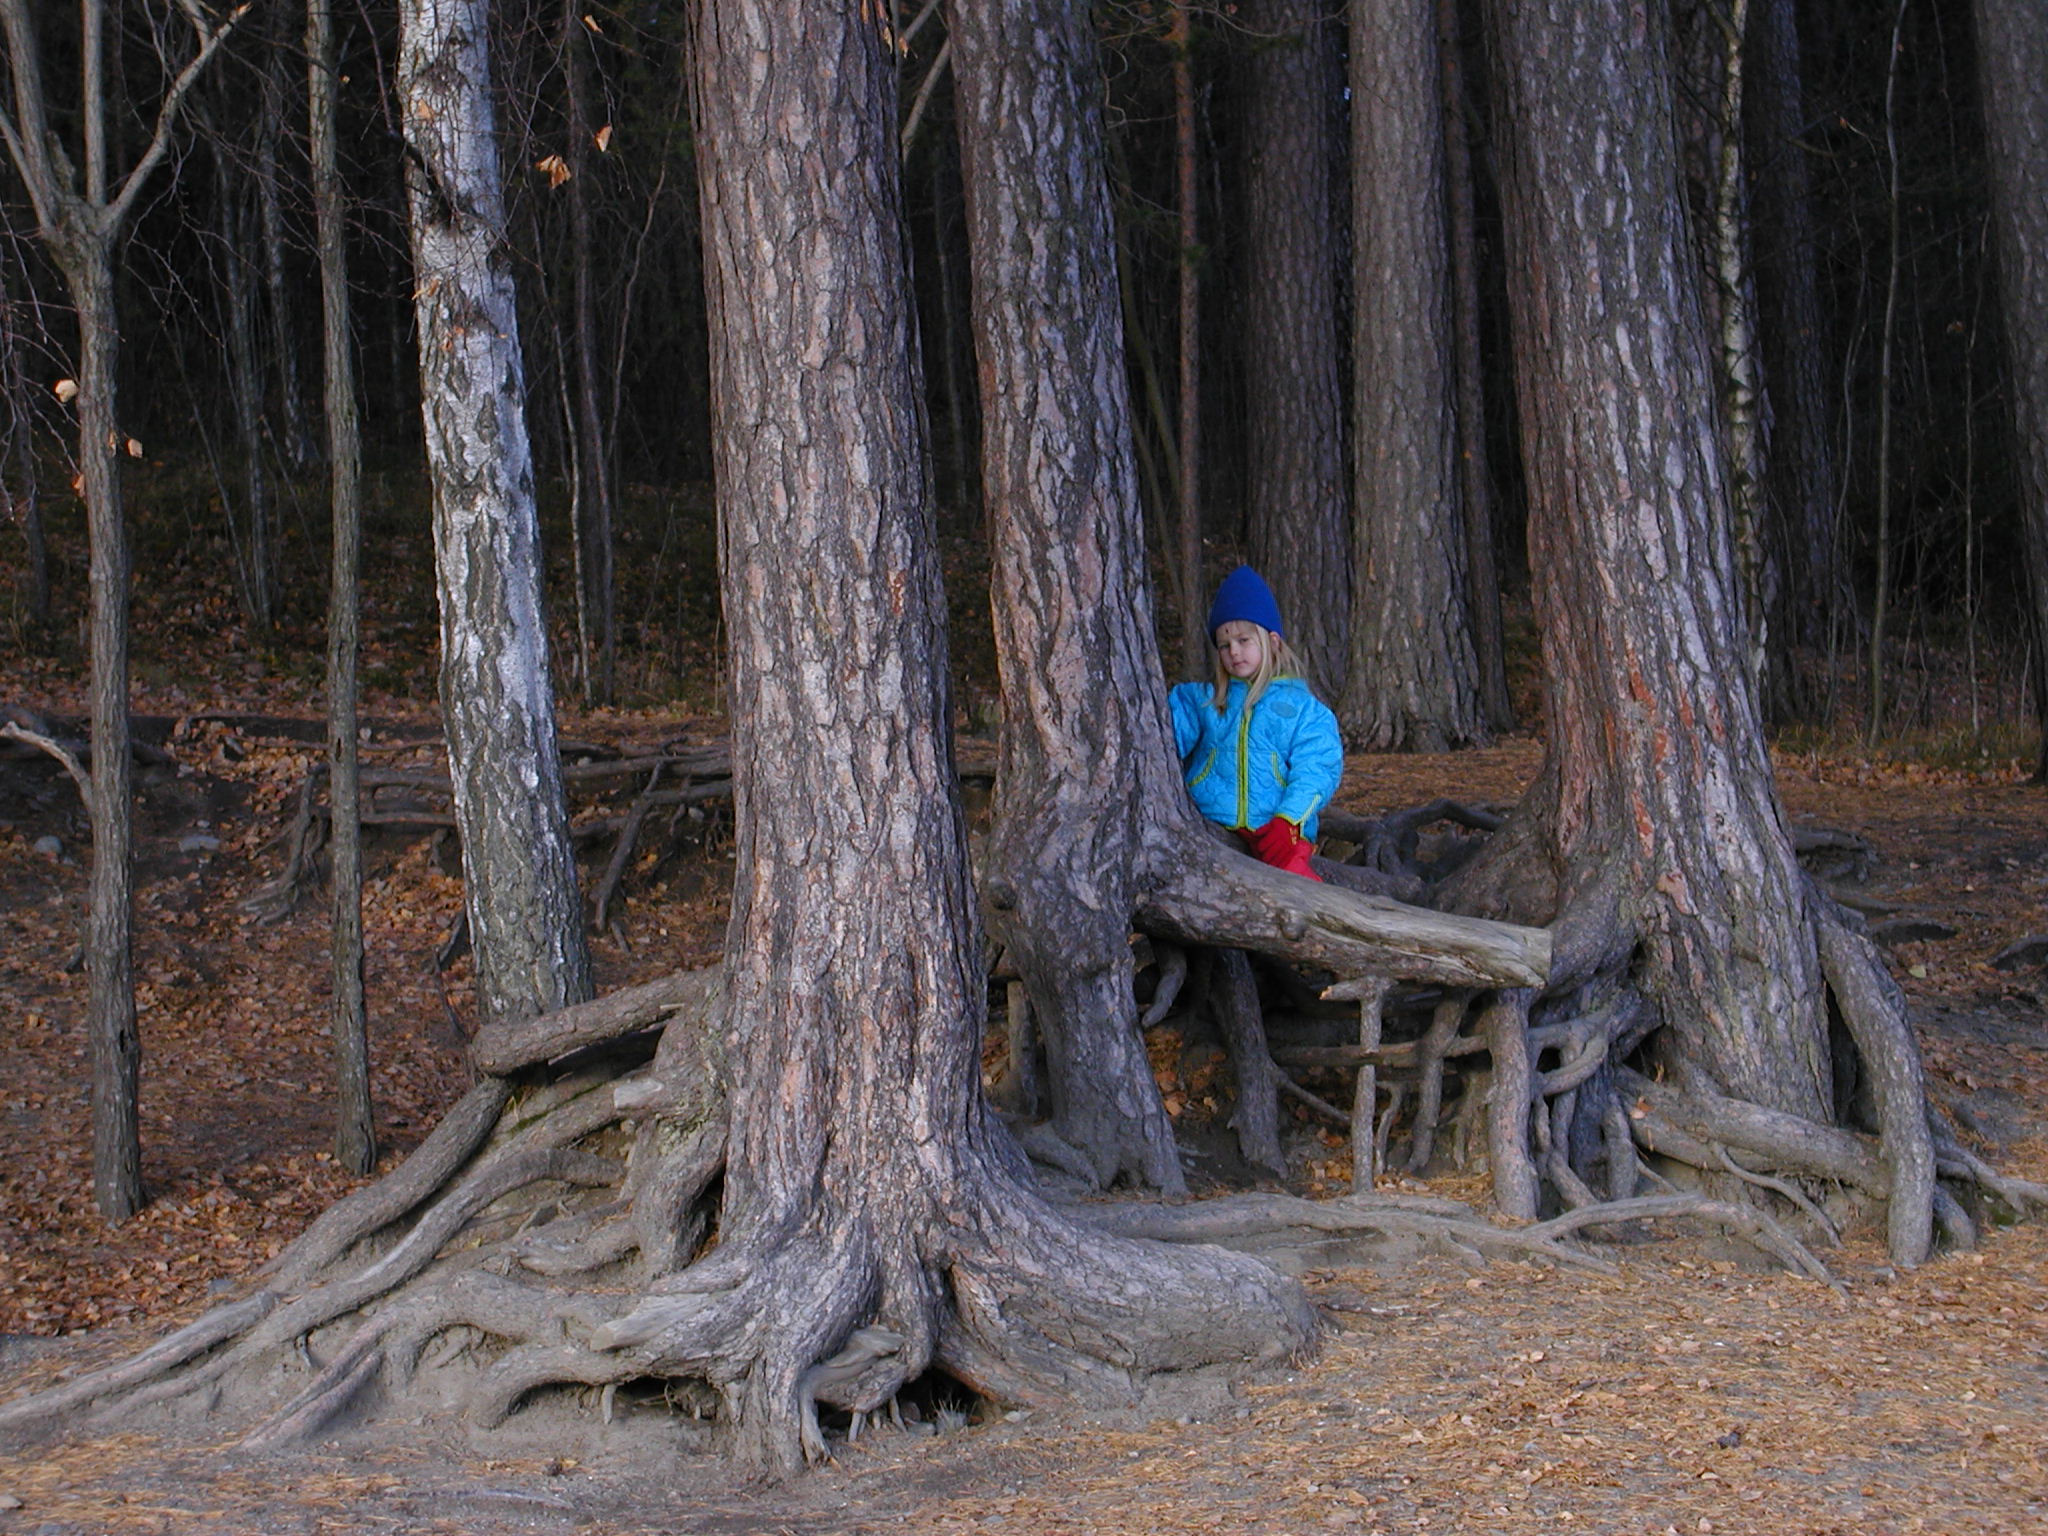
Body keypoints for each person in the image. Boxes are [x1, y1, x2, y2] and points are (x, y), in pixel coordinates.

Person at [1169, 566, 1342, 881]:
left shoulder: (1304, 709)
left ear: (1271, 641)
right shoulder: (1205, 700)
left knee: (1293, 882)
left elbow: (1318, 768)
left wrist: (1290, 818)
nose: (1234, 652)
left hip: (1278, 826)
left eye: (1243, 640)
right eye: (1224, 645)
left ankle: (1329, 911)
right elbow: (1168, 739)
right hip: (1214, 819)